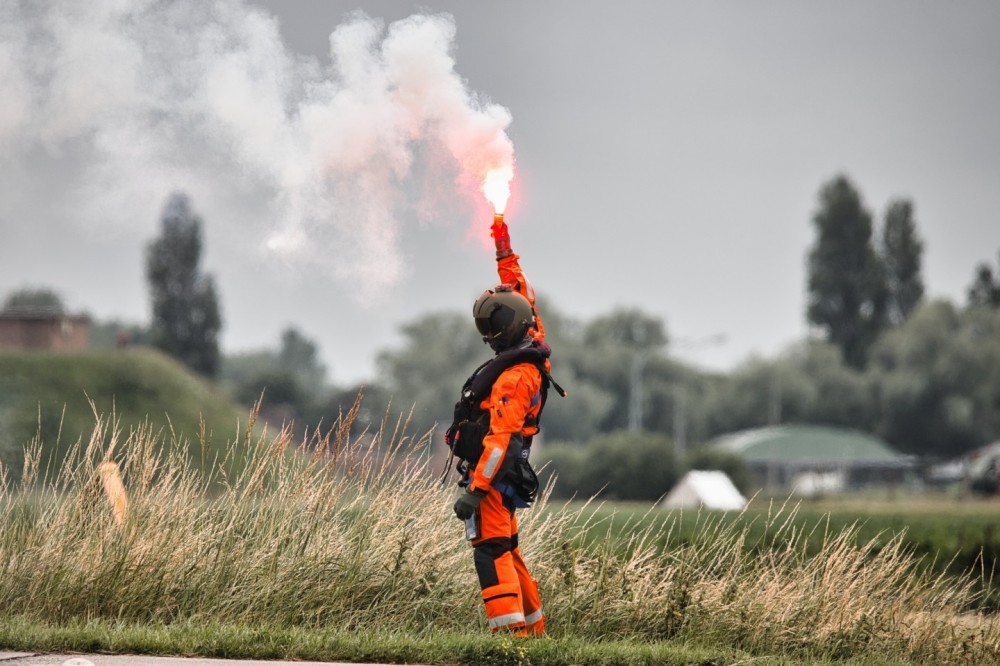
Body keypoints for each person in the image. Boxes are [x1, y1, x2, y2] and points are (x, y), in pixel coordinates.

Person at [446, 214, 560, 636]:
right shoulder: (532, 336)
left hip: (494, 477)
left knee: (492, 551)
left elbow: (499, 439)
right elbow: (521, 291)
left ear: (505, 329)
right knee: (508, 549)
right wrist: (502, 245)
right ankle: (534, 636)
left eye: (490, 329)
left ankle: (509, 642)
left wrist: (475, 492)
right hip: (506, 472)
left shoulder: (515, 377)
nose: (488, 338)